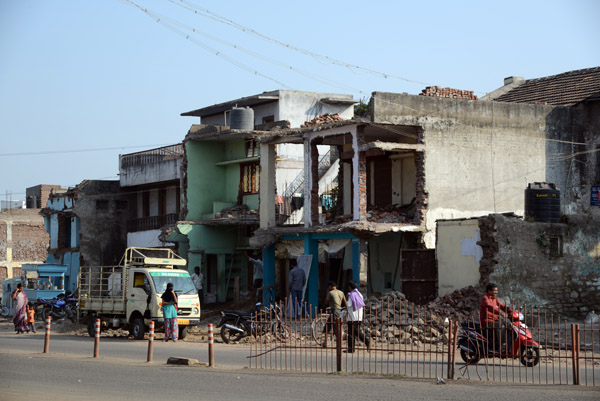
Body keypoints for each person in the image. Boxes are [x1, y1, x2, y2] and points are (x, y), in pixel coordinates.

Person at [480, 283, 512, 352]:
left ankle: (509, 344)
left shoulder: (495, 299)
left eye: (496, 291)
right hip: (487, 321)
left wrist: (511, 311)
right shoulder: (485, 298)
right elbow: (490, 307)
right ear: (489, 291)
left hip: (495, 320)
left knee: (509, 325)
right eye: (494, 291)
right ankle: (500, 346)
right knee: (501, 326)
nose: (496, 292)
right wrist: (500, 313)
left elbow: (502, 306)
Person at [346, 281, 369, 353]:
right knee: (357, 332)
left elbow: (349, 305)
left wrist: (345, 301)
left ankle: (351, 349)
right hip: (359, 316)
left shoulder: (351, 295)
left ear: (350, 287)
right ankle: (367, 342)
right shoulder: (359, 294)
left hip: (352, 317)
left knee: (350, 333)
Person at [322, 281, 345, 347]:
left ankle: (339, 344)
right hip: (339, 310)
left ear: (330, 286)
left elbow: (326, 302)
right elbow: (344, 302)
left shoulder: (330, 293)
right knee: (329, 326)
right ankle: (325, 343)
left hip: (334, 311)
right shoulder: (341, 292)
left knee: (334, 327)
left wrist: (327, 294)